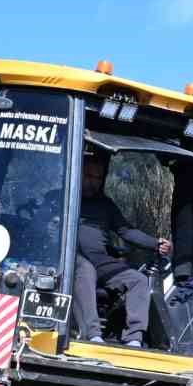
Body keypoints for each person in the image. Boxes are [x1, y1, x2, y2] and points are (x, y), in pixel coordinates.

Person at [72, 147, 170, 347]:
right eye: (89, 176)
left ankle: (133, 338)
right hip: (70, 259)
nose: (94, 181)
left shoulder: (105, 205)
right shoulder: (63, 196)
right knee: (85, 269)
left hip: (101, 261)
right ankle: (92, 334)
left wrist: (155, 244)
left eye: (98, 178)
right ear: (79, 172)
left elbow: (126, 231)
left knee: (139, 280)